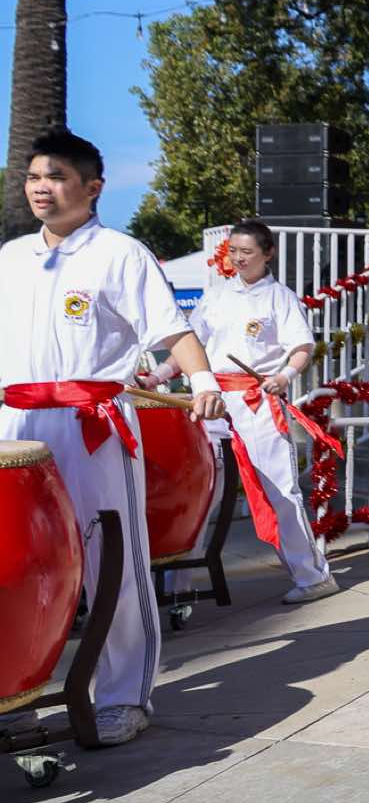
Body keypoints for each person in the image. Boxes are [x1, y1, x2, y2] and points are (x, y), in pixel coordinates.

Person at [0, 129, 225, 746]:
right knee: (21, 562)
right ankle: (16, 695)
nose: (41, 188)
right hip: (16, 428)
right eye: (33, 177)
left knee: (111, 562)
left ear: (93, 187)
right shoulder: (11, 257)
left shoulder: (121, 254)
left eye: (56, 177)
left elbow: (171, 330)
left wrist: (203, 379)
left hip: (91, 427)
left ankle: (124, 695)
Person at [167, 219, 337, 604]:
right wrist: (159, 374)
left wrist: (285, 375)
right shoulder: (216, 296)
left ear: (267, 253)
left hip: (257, 401)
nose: (239, 258)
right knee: (201, 491)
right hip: (213, 401)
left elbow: (302, 347)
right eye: (234, 251)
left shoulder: (280, 297)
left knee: (280, 490)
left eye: (247, 252)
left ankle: (313, 576)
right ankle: (179, 584)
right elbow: (188, 346)